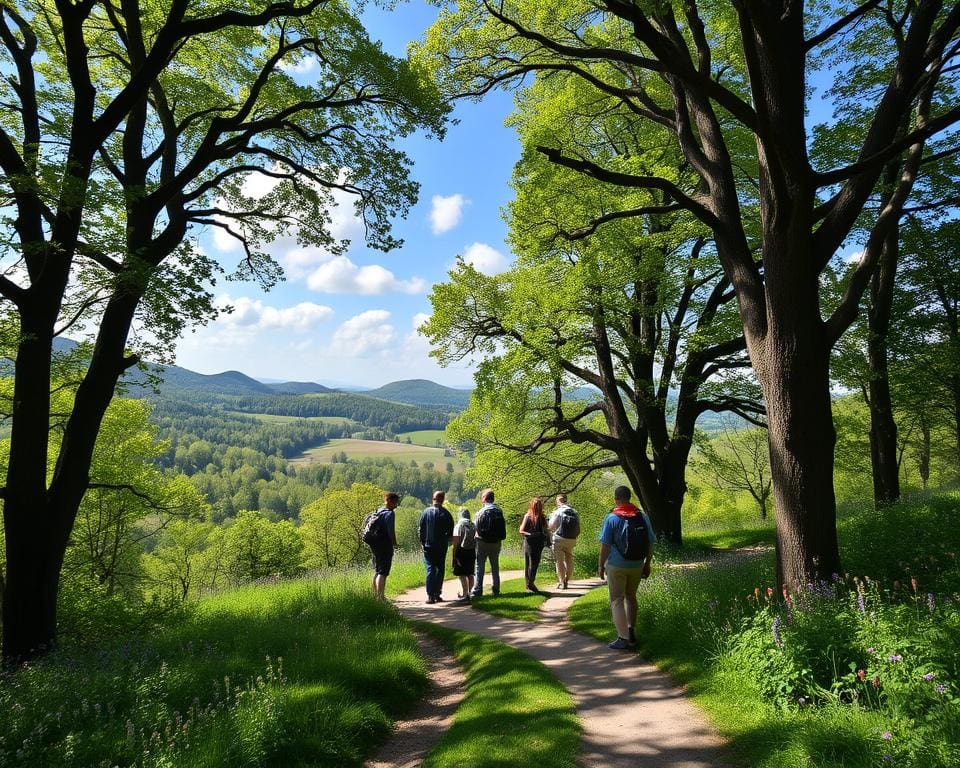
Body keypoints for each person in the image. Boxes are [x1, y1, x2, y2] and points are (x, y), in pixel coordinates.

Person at [598, 485, 656, 650]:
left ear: (616, 499)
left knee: (617, 600)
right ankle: (631, 632)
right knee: (631, 596)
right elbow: (651, 542)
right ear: (629, 498)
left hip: (617, 565)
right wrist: (647, 564)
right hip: (637, 564)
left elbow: (605, 546)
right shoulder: (642, 516)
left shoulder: (611, 518)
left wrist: (601, 566)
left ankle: (623, 639)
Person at [419, 490, 454, 604]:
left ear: (433, 498)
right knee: (440, 569)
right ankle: (437, 593)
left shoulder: (425, 512)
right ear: (443, 500)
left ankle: (430, 596)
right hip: (441, 546)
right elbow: (450, 532)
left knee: (430, 569)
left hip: (428, 546)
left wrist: (422, 543)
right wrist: (447, 541)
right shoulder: (446, 514)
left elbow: (421, 529)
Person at [470, 488, 506, 598]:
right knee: (495, 566)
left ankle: (478, 590)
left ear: (485, 499)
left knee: (479, 566)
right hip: (496, 543)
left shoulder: (481, 512)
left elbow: (476, 529)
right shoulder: (499, 511)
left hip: (482, 542)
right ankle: (496, 589)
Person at [369, 491, 399, 600]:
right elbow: (390, 531)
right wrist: (394, 543)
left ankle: (375, 596)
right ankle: (381, 598)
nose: (396, 505)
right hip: (384, 545)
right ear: (390, 501)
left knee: (377, 571)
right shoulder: (389, 513)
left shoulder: (378, 511)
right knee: (383, 572)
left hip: (375, 545)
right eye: (396, 502)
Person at [547, 494, 580, 589]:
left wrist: (550, 528)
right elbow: (578, 527)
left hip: (559, 539)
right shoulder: (574, 511)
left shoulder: (558, 511)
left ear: (558, 501)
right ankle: (567, 579)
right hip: (572, 539)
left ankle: (562, 582)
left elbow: (551, 526)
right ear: (565, 500)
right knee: (569, 558)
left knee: (559, 561)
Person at [519, 497, 549, 592]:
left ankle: (529, 583)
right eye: (536, 506)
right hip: (531, 542)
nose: (537, 507)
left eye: (538, 506)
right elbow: (521, 531)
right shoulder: (528, 516)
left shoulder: (542, 517)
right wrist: (532, 534)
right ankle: (530, 583)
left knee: (532, 563)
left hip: (537, 543)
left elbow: (546, 529)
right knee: (531, 564)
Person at [451, 507, 477, 602]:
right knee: (470, 573)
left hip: (461, 552)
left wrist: (453, 557)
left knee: (461, 574)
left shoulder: (458, 525)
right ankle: (470, 593)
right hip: (472, 551)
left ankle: (465, 594)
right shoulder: (473, 524)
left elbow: (455, 543)